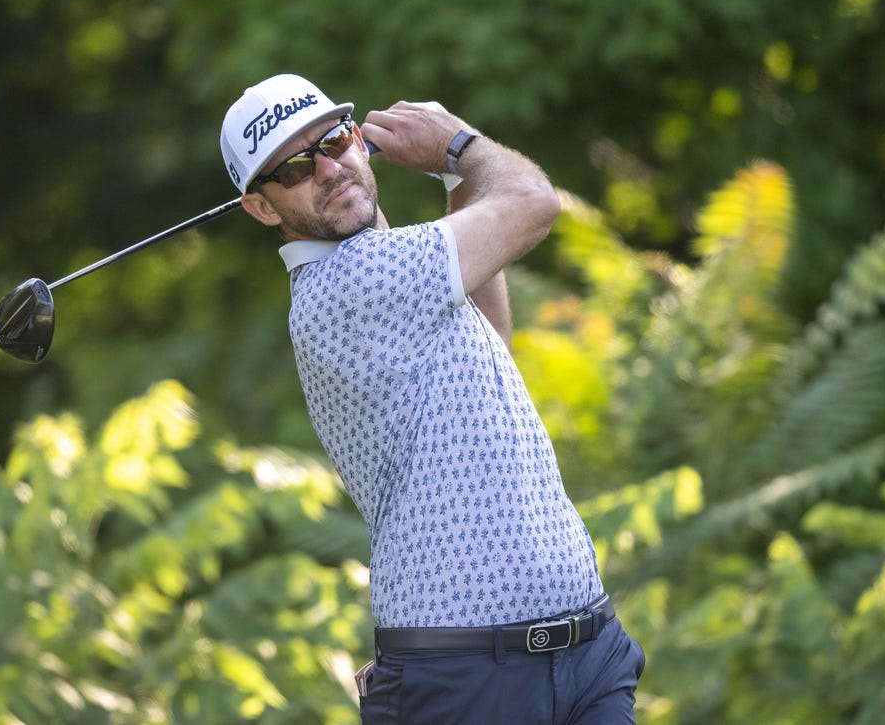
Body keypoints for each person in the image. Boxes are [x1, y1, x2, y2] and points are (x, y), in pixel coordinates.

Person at [220, 73, 645, 724]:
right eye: (298, 166)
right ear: (262, 207)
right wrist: (459, 147)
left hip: (586, 652)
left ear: (359, 139)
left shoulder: (401, 269)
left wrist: (455, 181)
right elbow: (534, 202)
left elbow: (489, 333)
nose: (329, 168)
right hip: (467, 678)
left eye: (334, 141)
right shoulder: (348, 283)